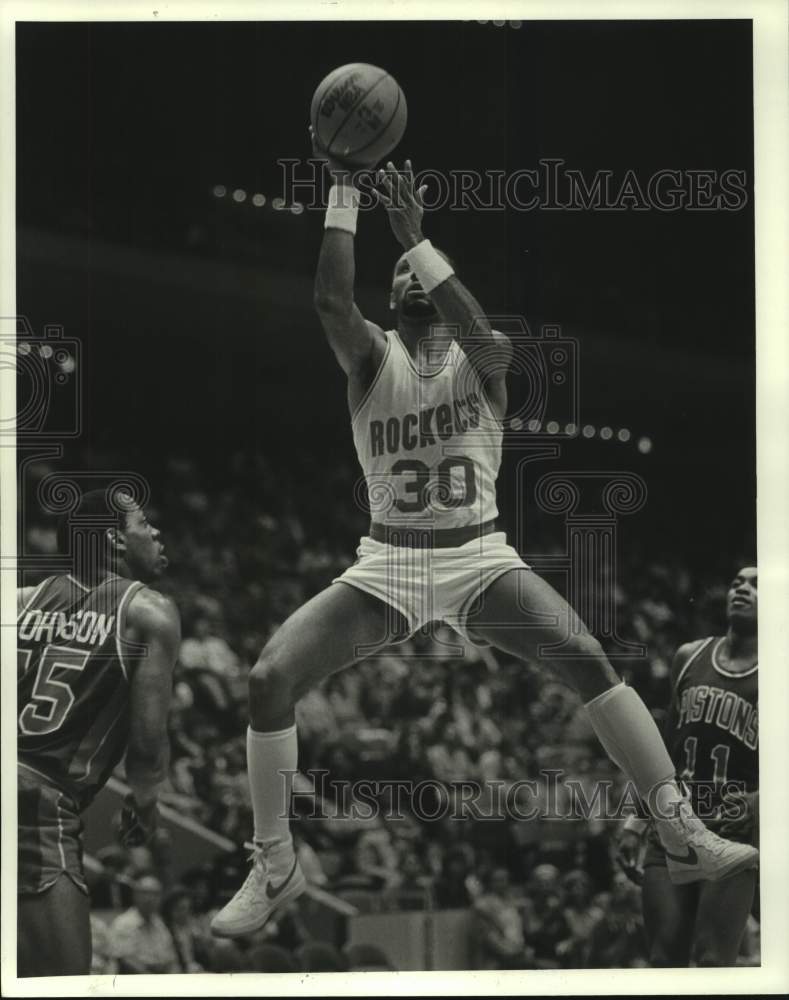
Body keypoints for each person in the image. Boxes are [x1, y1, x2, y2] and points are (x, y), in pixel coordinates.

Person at [210, 136, 757, 939]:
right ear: (391, 299)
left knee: (590, 662)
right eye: (399, 275)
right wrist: (342, 195)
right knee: (266, 679)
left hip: (476, 557)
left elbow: (495, 343)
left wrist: (416, 240)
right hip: (389, 560)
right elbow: (331, 303)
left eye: (422, 271)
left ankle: (678, 829)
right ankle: (275, 862)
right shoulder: (371, 359)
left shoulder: (481, 363)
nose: (409, 279)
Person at [17, 487, 179, 976]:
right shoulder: (148, 611)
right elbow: (148, 746)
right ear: (113, 541)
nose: (155, 533)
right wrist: (144, 804)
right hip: (37, 804)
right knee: (64, 981)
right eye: (143, 524)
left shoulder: (18, 601)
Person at [617, 566, 759, 967]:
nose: (743, 589)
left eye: (757, 585)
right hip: (673, 827)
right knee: (664, 960)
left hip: (733, 835)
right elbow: (663, 748)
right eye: (737, 582)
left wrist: (760, 800)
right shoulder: (689, 656)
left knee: (712, 961)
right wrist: (635, 820)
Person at [108, 875, 180, 974]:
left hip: (160, 977)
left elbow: (171, 959)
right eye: (144, 893)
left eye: (155, 894)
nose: (150, 898)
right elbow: (125, 961)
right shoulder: (123, 923)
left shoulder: (159, 923)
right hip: (135, 980)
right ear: (135, 896)